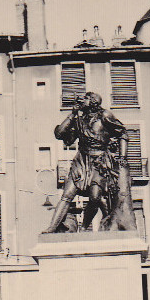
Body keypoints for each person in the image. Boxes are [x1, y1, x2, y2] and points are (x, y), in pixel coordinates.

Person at [43, 92, 136, 233]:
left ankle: (84, 227)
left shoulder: (105, 115)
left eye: (85, 98)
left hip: (100, 162)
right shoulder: (79, 119)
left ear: (93, 102)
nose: (81, 99)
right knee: (67, 195)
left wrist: (123, 156)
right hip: (81, 162)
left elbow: (122, 133)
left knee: (95, 197)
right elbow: (60, 134)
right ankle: (52, 227)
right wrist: (72, 114)